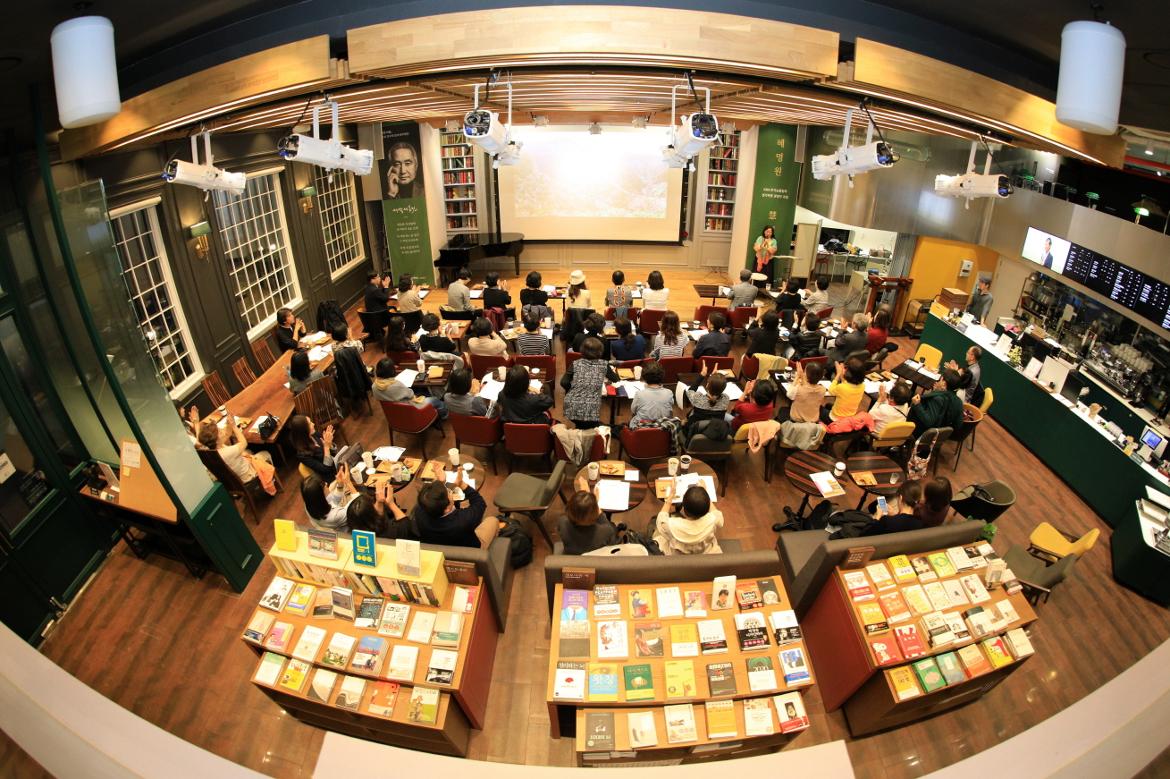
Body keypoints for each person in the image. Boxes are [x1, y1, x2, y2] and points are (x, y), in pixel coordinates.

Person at [410, 470, 498, 549]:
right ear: (447, 509)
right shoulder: (464, 520)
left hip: (440, 547)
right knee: (493, 520)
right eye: (449, 492)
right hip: (470, 551)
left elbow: (433, 500)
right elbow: (480, 504)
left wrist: (442, 483)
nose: (450, 491)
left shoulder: (419, 511)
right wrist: (461, 484)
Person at [197, 410, 274, 488]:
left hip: (232, 481)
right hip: (247, 477)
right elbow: (244, 443)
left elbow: (227, 434)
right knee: (265, 453)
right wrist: (234, 426)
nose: (222, 430)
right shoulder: (227, 452)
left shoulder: (212, 450)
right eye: (220, 431)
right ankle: (270, 482)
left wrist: (229, 423)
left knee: (248, 451)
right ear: (217, 440)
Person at [561, 336, 618, 429]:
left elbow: (564, 382)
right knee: (589, 428)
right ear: (600, 351)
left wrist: (572, 389)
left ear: (582, 350)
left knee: (581, 426)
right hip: (591, 409)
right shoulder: (604, 364)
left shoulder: (575, 363)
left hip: (571, 405)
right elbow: (615, 379)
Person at [652, 482, 723, 555]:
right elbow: (718, 516)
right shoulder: (713, 520)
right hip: (703, 552)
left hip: (679, 555)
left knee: (653, 524)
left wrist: (670, 497)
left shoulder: (672, 525)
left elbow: (660, 520)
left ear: (684, 508)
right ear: (707, 509)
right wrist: (705, 494)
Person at [372, 357, 447, 417]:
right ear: (392, 370)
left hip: (393, 413)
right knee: (435, 400)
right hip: (411, 408)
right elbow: (411, 394)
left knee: (421, 392)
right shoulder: (396, 385)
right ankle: (444, 415)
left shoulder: (374, 386)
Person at [908, 368, 965, 434]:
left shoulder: (937, 398)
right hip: (940, 435)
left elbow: (929, 422)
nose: (938, 381)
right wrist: (935, 392)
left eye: (940, 379)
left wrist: (917, 404)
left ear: (944, 384)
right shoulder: (959, 402)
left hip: (918, 432)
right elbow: (958, 425)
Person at [860, 479, 925, 536]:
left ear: (901, 498)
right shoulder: (922, 522)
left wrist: (877, 516)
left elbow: (864, 534)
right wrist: (895, 515)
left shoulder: (887, 521)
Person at [347, 482, 412, 538]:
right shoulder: (389, 531)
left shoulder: (358, 528)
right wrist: (391, 503)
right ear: (373, 516)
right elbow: (406, 525)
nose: (376, 502)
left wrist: (379, 502)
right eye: (374, 503)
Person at [287, 414, 338, 480]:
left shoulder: (314, 435)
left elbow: (333, 453)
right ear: (303, 431)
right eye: (309, 424)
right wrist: (326, 447)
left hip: (337, 464)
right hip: (332, 477)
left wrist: (330, 444)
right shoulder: (302, 455)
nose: (313, 424)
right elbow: (326, 469)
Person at [629, 361, 674, 427]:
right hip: (662, 427)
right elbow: (670, 410)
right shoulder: (669, 393)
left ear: (644, 377)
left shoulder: (639, 394)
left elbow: (633, 410)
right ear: (662, 376)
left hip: (642, 428)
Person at [826, 357, 867, 422]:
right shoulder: (862, 386)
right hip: (849, 417)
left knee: (821, 408)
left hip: (835, 419)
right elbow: (846, 383)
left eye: (846, 368)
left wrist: (838, 374)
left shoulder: (842, 387)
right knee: (828, 405)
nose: (844, 369)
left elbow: (831, 390)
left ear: (849, 373)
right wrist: (841, 374)